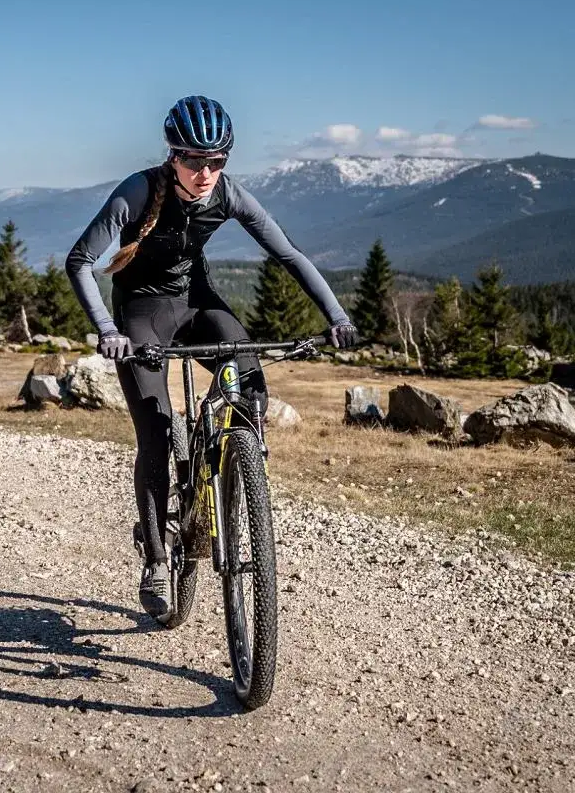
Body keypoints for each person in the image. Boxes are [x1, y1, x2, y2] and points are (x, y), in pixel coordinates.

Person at [64, 95, 359, 618]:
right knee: (155, 430)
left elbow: (288, 254)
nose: (206, 173)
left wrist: (338, 316)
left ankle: (239, 463)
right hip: (141, 314)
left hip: (198, 304)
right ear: (172, 156)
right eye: (195, 161)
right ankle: (156, 556)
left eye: (218, 161)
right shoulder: (138, 191)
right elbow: (81, 261)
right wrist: (108, 330)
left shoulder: (229, 194)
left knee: (250, 380)